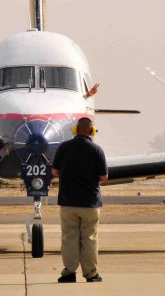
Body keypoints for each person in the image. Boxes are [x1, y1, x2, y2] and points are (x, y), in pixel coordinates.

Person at [52, 117, 108, 283]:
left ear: (75, 130)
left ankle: (69, 273)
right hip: (90, 203)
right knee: (89, 238)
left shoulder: (63, 147)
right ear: (92, 131)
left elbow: (54, 171)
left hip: (68, 202)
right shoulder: (97, 150)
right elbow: (104, 177)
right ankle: (91, 273)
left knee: (69, 238)